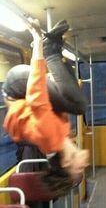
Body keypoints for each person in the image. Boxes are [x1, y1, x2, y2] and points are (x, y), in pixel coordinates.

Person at [2, 19, 89, 197]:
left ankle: (50, 50)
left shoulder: (48, 135)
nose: (84, 164)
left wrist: (38, 42)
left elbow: (36, 92)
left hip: (15, 86)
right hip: (23, 92)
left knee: (79, 105)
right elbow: (59, 101)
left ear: (65, 161)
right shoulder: (62, 137)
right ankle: (55, 49)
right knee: (74, 100)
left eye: (79, 167)